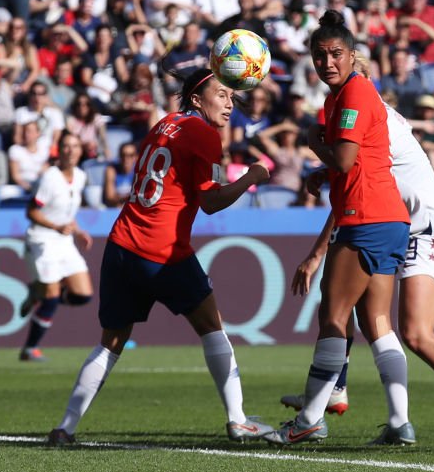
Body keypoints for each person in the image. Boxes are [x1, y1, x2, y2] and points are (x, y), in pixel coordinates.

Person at [47, 67, 274, 446]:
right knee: (212, 328)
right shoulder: (203, 132)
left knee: (110, 342)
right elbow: (211, 202)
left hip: (122, 243)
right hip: (162, 249)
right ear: (197, 99)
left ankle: (65, 428)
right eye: (222, 95)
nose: (230, 103)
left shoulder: (165, 123)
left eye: (232, 97)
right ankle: (237, 420)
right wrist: (251, 177)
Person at [283, 56, 434, 438]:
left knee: (413, 331)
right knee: (370, 319)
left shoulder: (366, 115)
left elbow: (357, 192)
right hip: (400, 223)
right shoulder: (373, 116)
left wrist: (317, 252)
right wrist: (326, 170)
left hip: (425, 225)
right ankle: (386, 417)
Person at [264, 11, 412, 446]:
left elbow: (345, 160)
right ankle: (400, 422)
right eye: (319, 55)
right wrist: (321, 172)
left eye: (335, 54)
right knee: (377, 323)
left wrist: (315, 144)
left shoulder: (353, 95)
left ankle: (310, 418)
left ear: (352, 56)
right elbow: (351, 162)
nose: (327, 62)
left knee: (333, 317)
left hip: (366, 219)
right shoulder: (344, 97)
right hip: (388, 218)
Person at [18, 131, 93, 362]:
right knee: (51, 298)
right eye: (66, 147)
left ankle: (37, 291)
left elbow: (66, 213)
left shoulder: (80, 176)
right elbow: (31, 211)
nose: (71, 151)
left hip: (64, 241)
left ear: (81, 151)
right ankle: (30, 349)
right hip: (42, 240)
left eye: (75, 146)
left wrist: (78, 231)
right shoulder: (49, 177)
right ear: (59, 151)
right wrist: (55, 227)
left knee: (83, 295)